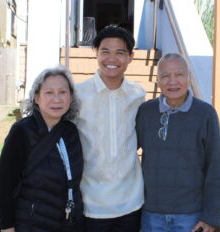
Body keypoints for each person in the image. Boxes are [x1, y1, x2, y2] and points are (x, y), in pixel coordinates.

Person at [136, 53, 220, 232]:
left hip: (191, 216)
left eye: (179, 75)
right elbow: (126, 152)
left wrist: (210, 217)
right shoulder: (146, 112)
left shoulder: (205, 114)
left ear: (189, 77)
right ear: (158, 80)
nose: (172, 81)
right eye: (165, 76)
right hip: (151, 214)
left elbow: (215, 168)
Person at [0, 66, 84, 232]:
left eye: (63, 92)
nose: (57, 99)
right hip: (30, 225)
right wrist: (7, 227)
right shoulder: (22, 132)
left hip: (67, 224)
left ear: (71, 97)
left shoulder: (71, 132)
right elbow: (2, 187)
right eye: (49, 92)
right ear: (36, 97)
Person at [74, 26, 145, 232]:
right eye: (105, 51)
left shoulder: (137, 95)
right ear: (96, 53)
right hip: (90, 201)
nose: (111, 58)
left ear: (131, 57)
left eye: (120, 52)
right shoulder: (78, 95)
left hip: (131, 200)